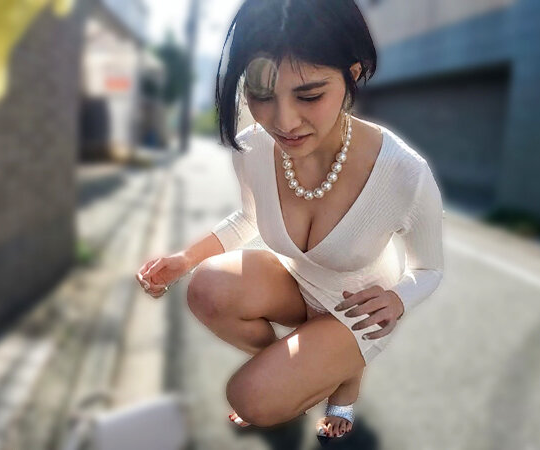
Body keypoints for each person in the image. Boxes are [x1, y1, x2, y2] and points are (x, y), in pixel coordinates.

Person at [135, 0, 445, 443]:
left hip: (356, 314)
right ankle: (302, 370)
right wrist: (185, 259)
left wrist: (398, 300)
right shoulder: (254, 147)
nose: (282, 122)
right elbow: (249, 218)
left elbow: (429, 268)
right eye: (261, 96)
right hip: (296, 284)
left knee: (250, 398)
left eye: (310, 95)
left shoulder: (403, 172)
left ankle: (343, 373)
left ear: (352, 74)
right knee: (206, 287)